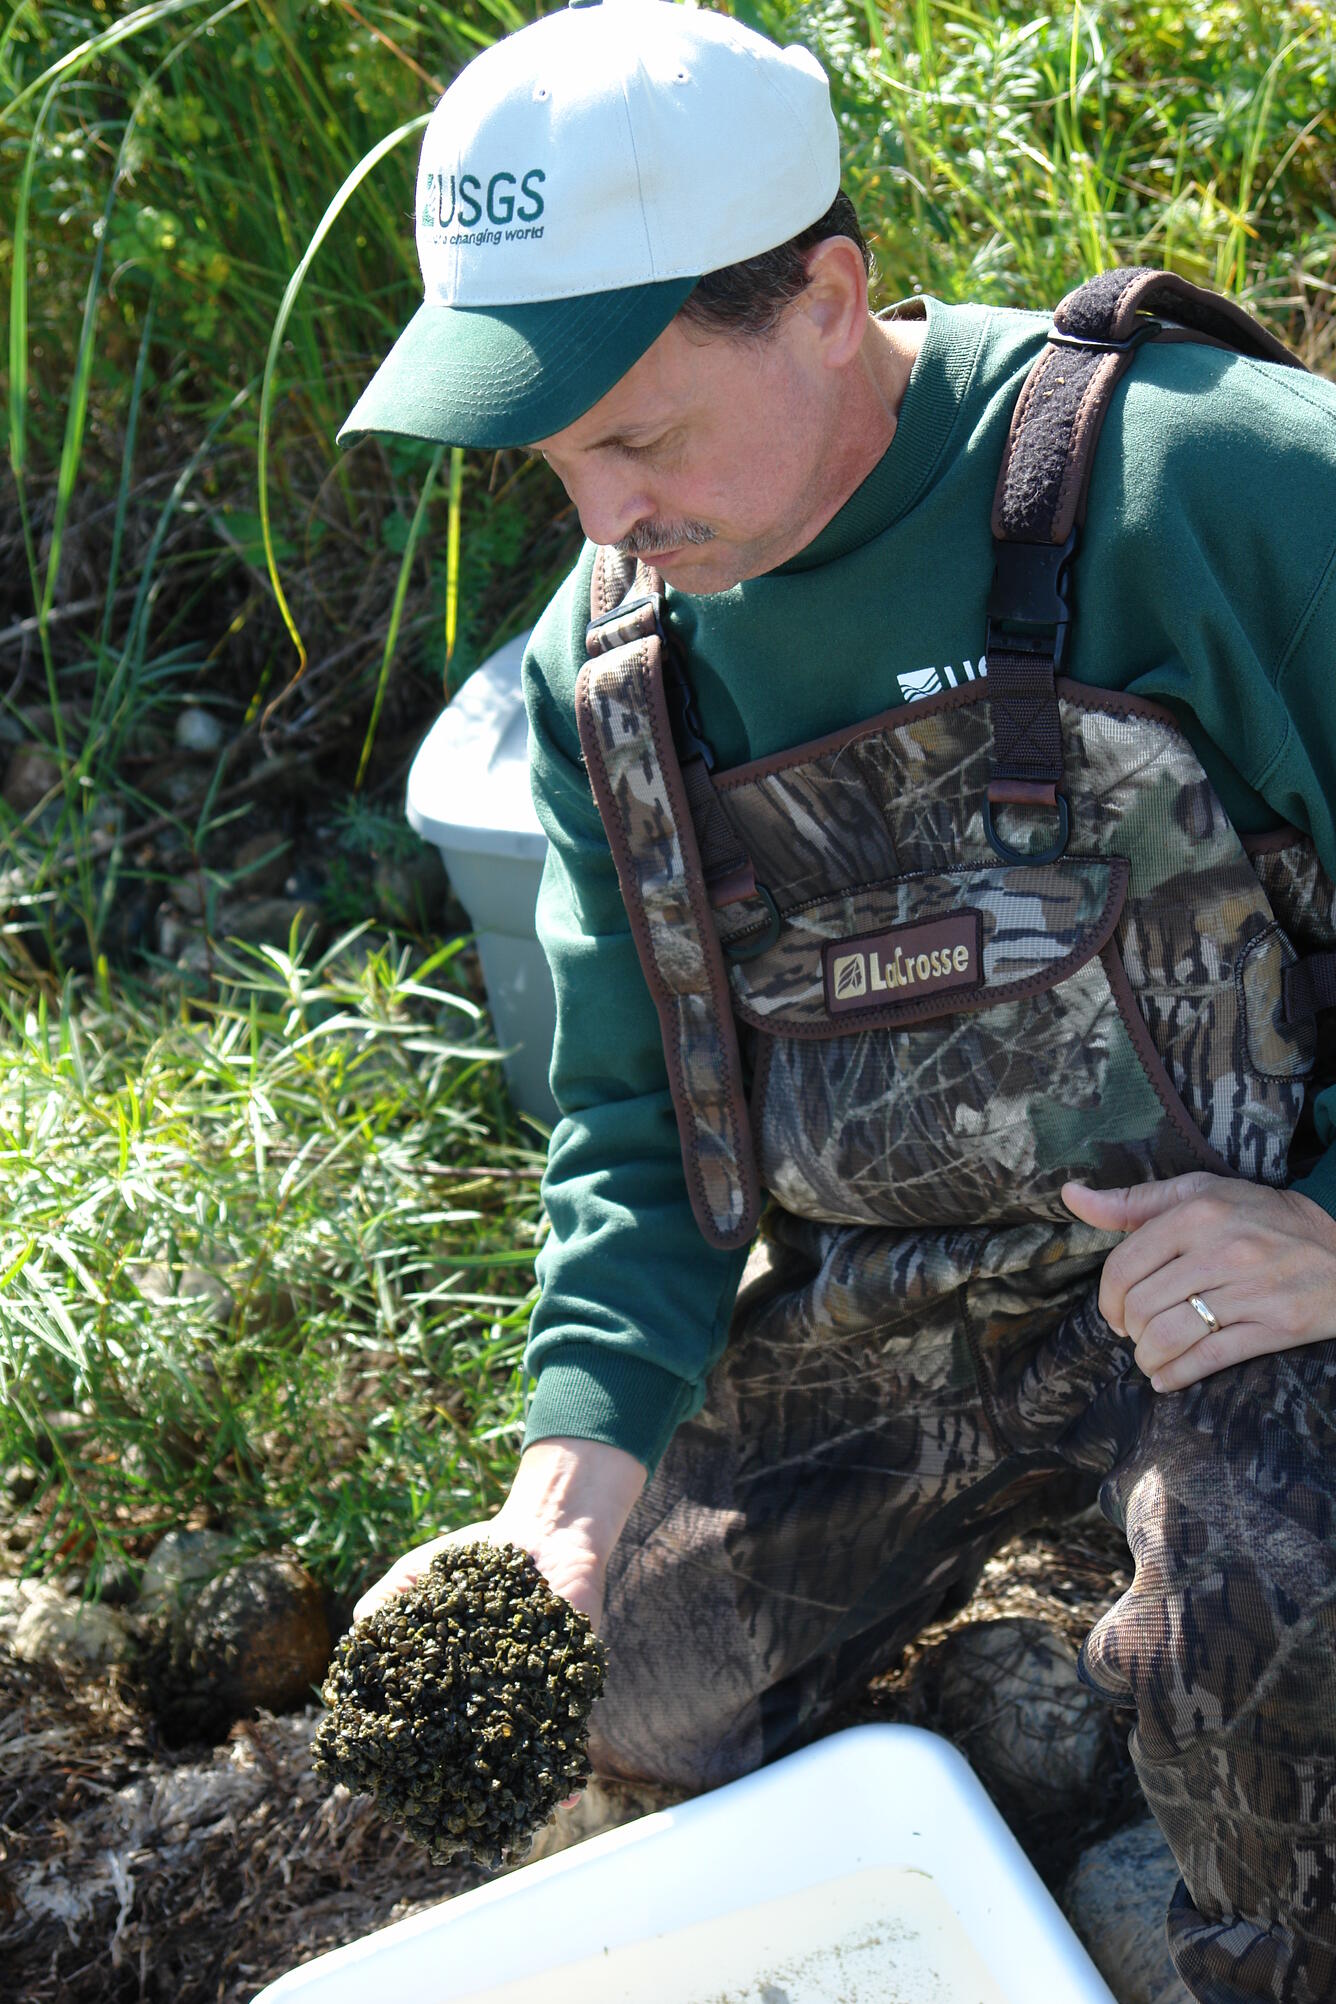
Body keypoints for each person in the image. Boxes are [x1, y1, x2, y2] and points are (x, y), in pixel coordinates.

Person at [339, 3, 1336, 1997]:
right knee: (617, 1688)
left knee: (1272, 1667)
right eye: (551, 461)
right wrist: (566, 1483)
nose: (598, 520)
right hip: (906, 1312)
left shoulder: (1216, 492)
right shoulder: (606, 671)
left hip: (1253, 1281)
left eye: (633, 433)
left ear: (826, 295)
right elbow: (631, 1122)